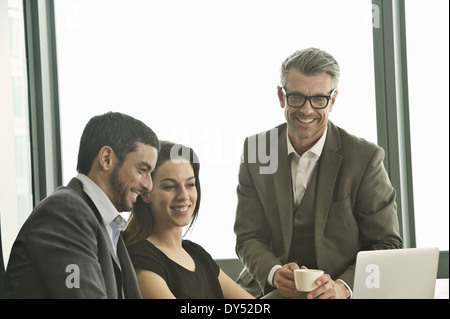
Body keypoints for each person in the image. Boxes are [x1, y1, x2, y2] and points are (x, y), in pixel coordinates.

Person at [234, 48, 403, 299]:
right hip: (267, 290)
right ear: (281, 96)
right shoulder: (258, 150)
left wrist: (343, 287)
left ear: (332, 101)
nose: (307, 110)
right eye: (297, 97)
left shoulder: (365, 158)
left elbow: (387, 244)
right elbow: (249, 236)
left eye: (319, 99)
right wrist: (274, 272)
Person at [0, 112, 159, 298]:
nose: (148, 185)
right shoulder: (64, 212)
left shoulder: (104, 223)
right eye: (142, 170)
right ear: (106, 158)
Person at [123, 141, 253, 299]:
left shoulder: (197, 254)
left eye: (190, 184)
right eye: (170, 186)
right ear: (145, 194)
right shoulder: (139, 258)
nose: (184, 195)